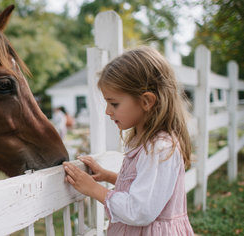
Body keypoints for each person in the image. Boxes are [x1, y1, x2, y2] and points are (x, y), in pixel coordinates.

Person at [63, 46, 194, 235]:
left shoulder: (159, 148)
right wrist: (107, 176)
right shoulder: (148, 144)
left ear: (146, 101)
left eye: (114, 103)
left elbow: (140, 210)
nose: (108, 111)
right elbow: (147, 188)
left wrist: (94, 189)